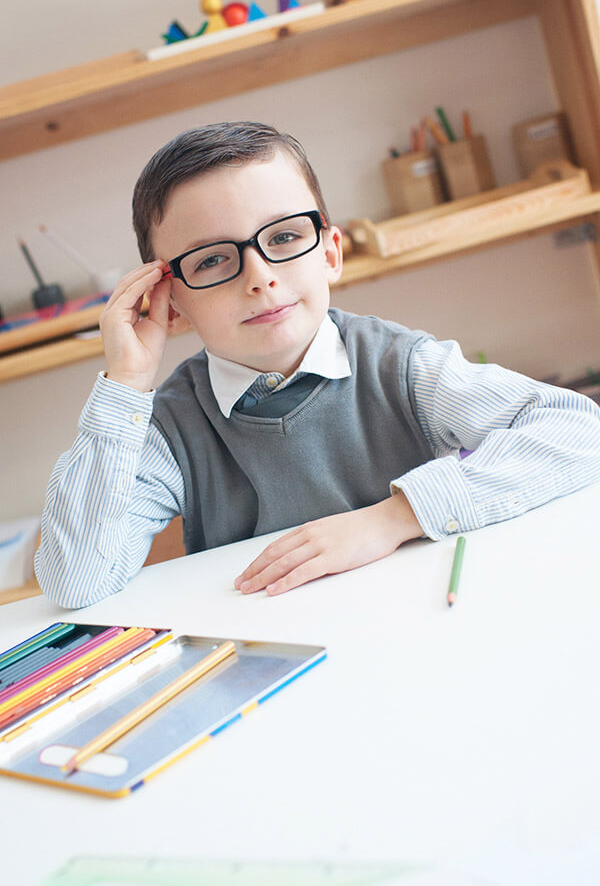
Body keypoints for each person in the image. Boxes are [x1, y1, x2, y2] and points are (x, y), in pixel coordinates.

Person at [35, 121, 600, 608]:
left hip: (422, 623)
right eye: (212, 259)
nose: (259, 276)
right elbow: (76, 579)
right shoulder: (167, 429)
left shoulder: (401, 367)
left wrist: (392, 518)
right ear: (171, 302)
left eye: (283, 236)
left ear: (330, 252)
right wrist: (126, 382)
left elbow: (578, 428)